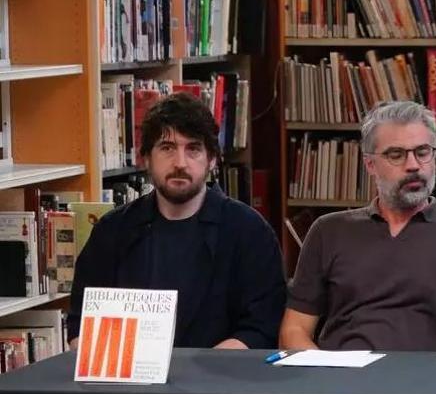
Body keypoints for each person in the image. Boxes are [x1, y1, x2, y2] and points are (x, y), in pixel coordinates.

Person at [279, 101, 436, 352]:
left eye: (422, 152)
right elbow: (294, 330)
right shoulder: (328, 231)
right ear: (370, 165)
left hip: (431, 383)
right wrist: (327, 374)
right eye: (396, 154)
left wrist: (432, 379)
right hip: (345, 381)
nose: (413, 165)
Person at [68, 93, 285, 349]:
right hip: (129, 383)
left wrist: (199, 374)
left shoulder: (249, 231)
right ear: (146, 158)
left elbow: (263, 326)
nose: (180, 163)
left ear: (212, 160)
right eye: (167, 148)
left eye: (193, 149)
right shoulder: (112, 231)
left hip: (219, 380)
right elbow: (80, 326)